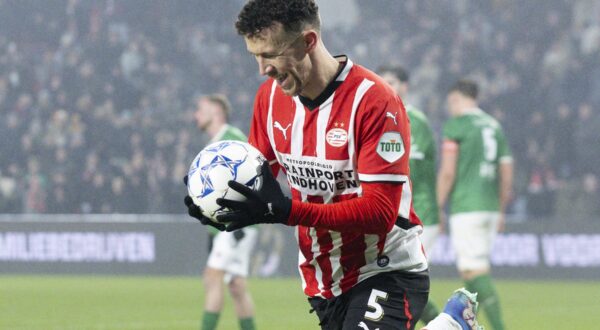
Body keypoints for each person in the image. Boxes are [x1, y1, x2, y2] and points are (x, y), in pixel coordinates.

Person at [186, 1, 430, 328]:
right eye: (255, 56)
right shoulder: (269, 99)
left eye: (271, 55)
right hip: (322, 279)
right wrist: (220, 207)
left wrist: (288, 212)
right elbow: (258, 180)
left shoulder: (374, 102)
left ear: (308, 42)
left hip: (385, 269)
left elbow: (380, 213)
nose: (263, 69)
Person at [437, 80, 513, 330]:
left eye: (451, 102)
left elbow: (448, 172)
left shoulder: (458, 125)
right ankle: (463, 324)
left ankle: (499, 327)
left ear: (458, 98)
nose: (450, 108)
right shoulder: (494, 126)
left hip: (467, 206)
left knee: (473, 270)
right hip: (490, 207)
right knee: (472, 272)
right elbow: (506, 172)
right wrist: (501, 209)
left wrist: (438, 205)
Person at [378, 65, 442, 325]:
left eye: (392, 81)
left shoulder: (416, 120)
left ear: (405, 86)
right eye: (381, 81)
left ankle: (447, 322)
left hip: (420, 212)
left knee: (402, 279)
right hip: (391, 214)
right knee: (395, 279)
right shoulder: (376, 117)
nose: (386, 86)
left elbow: (410, 166)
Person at [188, 94, 258, 330]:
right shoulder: (216, 143)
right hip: (228, 227)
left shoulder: (231, 140)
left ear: (216, 111)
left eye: (200, 109)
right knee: (236, 285)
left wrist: (242, 222)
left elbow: (255, 177)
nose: (196, 114)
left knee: (212, 276)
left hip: (236, 225)